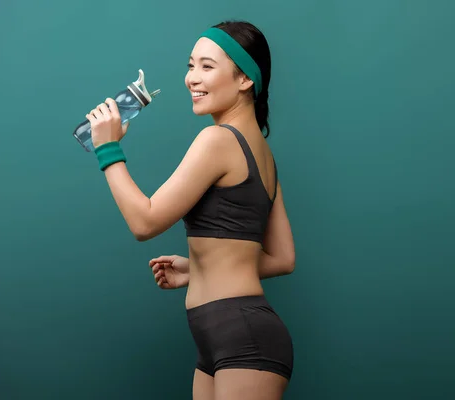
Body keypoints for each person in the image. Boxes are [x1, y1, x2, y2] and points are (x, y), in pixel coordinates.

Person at [84, 20, 296, 400]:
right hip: (220, 337)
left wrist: (108, 148)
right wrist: (199, 269)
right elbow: (283, 258)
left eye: (207, 66)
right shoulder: (264, 156)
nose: (191, 78)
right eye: (190, 65)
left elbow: (144, 222)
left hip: (242, 337)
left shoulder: (217, 140)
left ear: (245, 79)